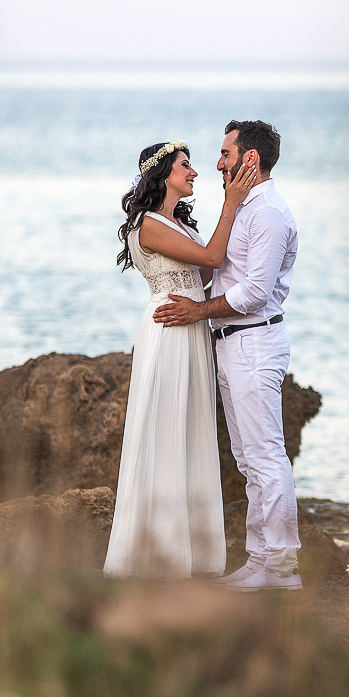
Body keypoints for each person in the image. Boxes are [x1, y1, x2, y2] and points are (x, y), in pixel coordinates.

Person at [153, 120, 302, 591]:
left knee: (266, 456)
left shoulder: (268, 214)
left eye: (224, 153)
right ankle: (260, 561)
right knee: (247, 457)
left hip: (255, 341)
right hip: (232, 342)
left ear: (249, 159)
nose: (217, 163)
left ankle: (281, 567)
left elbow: (255, 291)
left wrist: (198, 310)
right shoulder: (245, 207)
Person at [104, 139, 256, 578]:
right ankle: (157, 553)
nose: (194, 173)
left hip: (192, 331)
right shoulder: (147, 225)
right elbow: (212, 257)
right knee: (166, 429)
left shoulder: (181, 228)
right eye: (186, 166)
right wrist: (232, 203)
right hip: (168, 332)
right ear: (163, 173)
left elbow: (208, 272)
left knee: (191, 431)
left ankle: (195, 552)